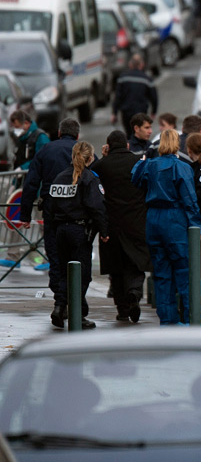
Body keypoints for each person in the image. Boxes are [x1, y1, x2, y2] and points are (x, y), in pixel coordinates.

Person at [131, 129, 201, 325]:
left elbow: (135, 179)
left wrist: (142, 160)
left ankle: (167, 320)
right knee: (185, 270)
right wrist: (198, 225)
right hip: (174, 218)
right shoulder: (181, 167)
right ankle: (192, 318)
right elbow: (189, 200)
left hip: (153, 218)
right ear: (177, 144)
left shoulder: (149, 165)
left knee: (162, 273)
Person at [19, 118, 82, 328]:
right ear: (78, 135)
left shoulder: (46, 150)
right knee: (77, 259)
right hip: (77, 215)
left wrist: (25, 214)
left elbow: (30, 184)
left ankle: (60, 302)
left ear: (58, 132)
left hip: (51, 212)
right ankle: (75, 304)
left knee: (56, 258)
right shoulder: (81, 150)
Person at [46, 141, 108, 330]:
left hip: (60, 231)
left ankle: (59, 307)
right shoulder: (89, 178)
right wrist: (104, 231)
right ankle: (78, 315)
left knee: (65, 272)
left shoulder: (59, 177)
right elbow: (97, 208)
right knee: (82, 275)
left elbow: (50, 207)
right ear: (90, 158)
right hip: (80, 231)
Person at [92, 130, 150, 324]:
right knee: (136, 263)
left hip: (111, 225)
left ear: (108, 146)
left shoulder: (101, 165)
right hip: (136, 222)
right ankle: (134, 292)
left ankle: (122, 309)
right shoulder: (138, 163)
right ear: (127, 145)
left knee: (116, 269)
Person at [112, 54, 158, 133]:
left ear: (130, 64)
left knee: (129, 134)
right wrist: (153, 112)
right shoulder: (146, 79)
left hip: (126, 113)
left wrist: (114, 113)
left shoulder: (123, 78)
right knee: (139, 135)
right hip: (141, 113)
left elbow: (118, 96)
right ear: (142, 65)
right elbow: (154, 97)